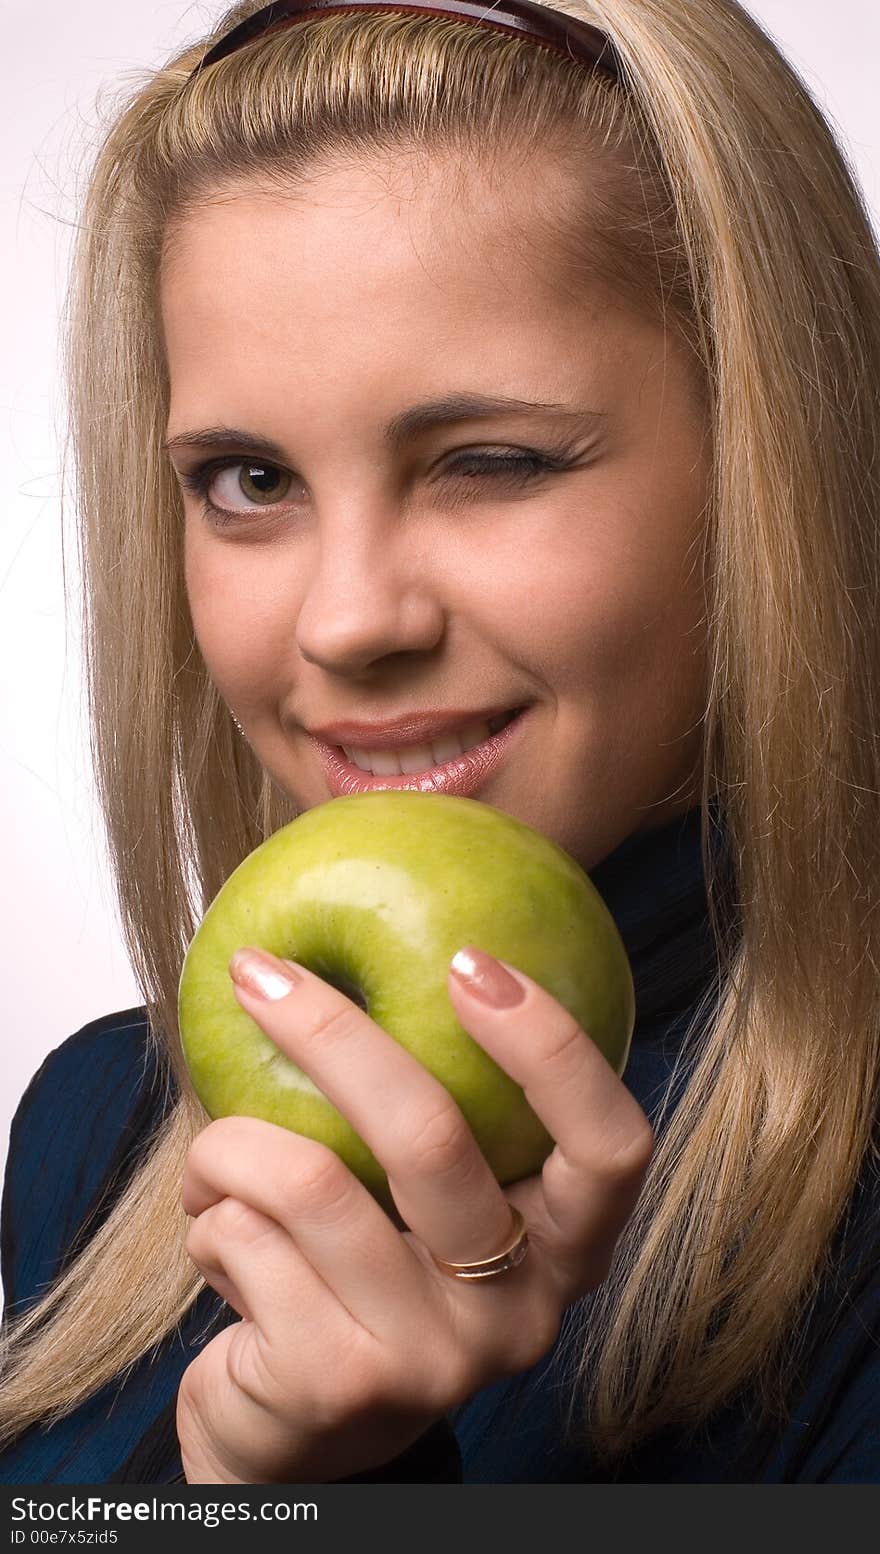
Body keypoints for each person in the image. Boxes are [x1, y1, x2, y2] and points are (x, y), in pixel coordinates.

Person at [1, 0, 878, 1485]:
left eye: (489, 461)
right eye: (250, 476)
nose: (346, 621)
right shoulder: (101, 1124)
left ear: (773, 456)